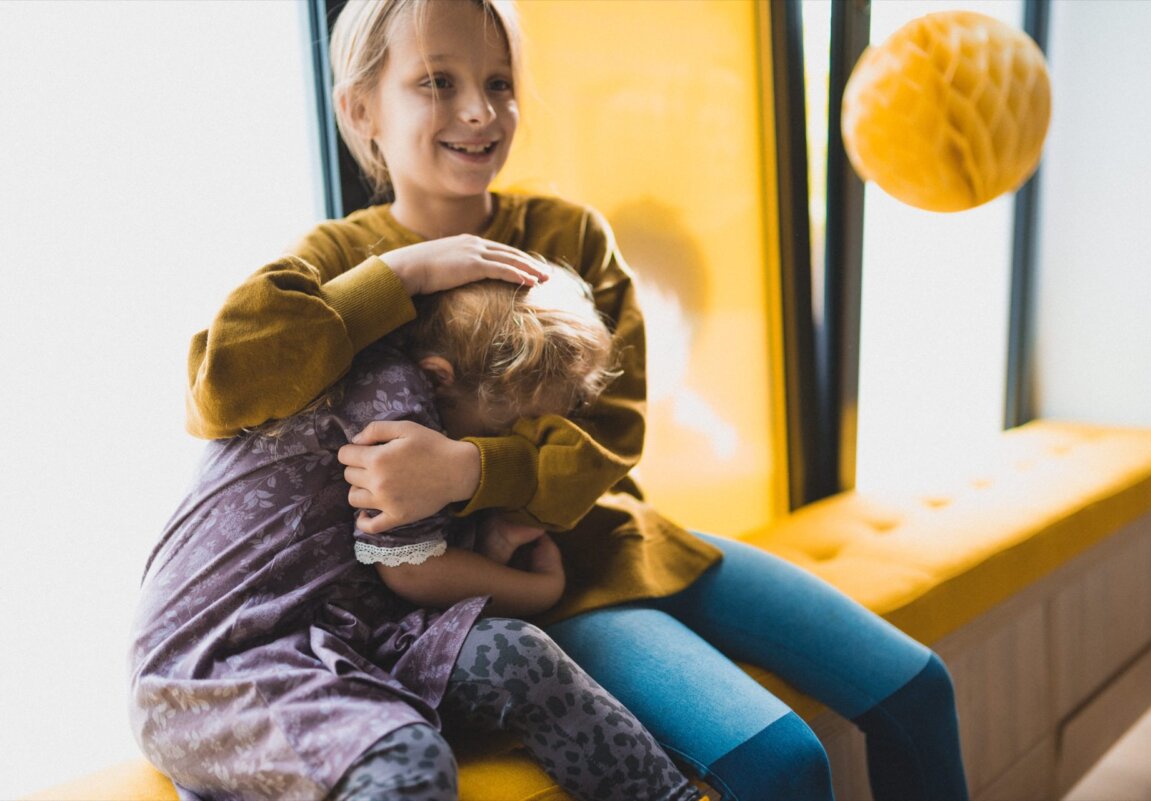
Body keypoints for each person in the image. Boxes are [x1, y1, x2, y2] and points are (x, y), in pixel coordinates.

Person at [181, 0, 971, 798]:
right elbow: (219, 384)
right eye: (437, 82)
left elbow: (613, 429)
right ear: (360, 109)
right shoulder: (338, 257)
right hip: (545, 593)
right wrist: (406, 275)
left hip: (640, 538)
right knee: (787, 763)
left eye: (499, 81)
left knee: (919, 687)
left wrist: (466, 471)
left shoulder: (569, 234)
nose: (480, 111)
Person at [129, 267, 707, 801]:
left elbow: (391, 552)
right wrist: (538, 592)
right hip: (220, 664)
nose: (514, 442)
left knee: (516, 656)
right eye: (508, 425)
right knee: (409, 761)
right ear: (439, 378)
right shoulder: (393, 399)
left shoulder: (423, 394)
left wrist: (487, 546)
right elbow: (412, 571)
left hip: (344, 632)